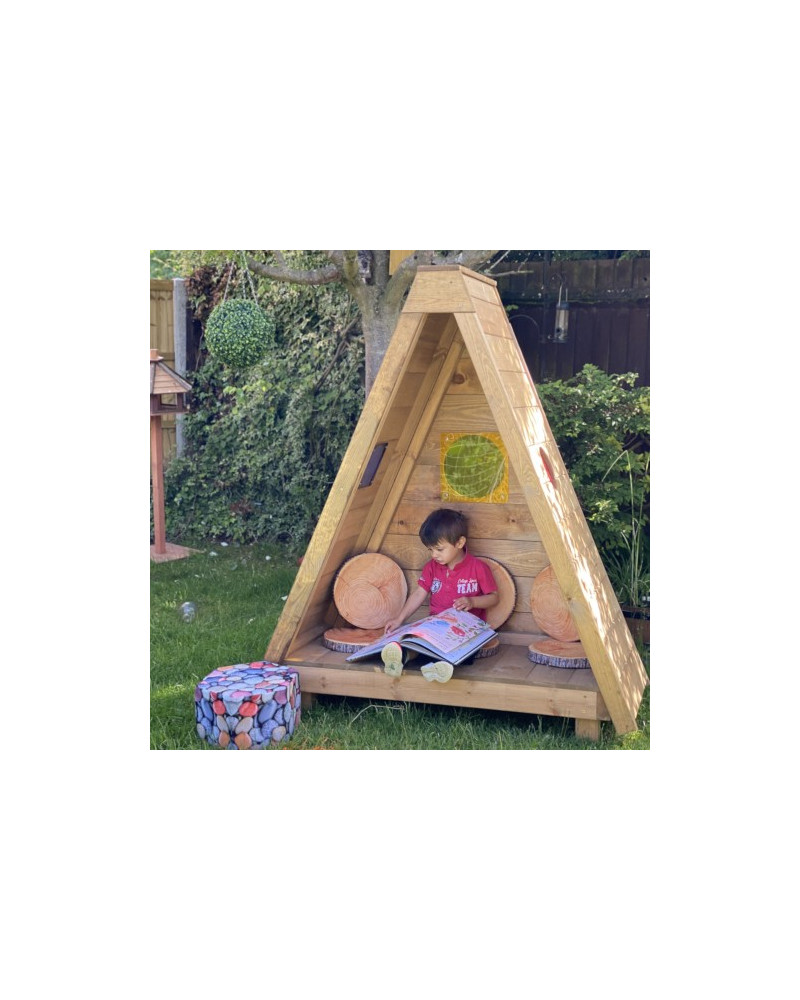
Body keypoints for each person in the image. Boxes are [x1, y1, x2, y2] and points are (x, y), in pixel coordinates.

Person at [381, 508, 499, 683]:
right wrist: (399, 619)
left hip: (466, 631)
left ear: (460, 543)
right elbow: (419, 594)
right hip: (436, 628)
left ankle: (440, 666)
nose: (434, 555)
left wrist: (472, 601)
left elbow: (494, 597)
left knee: (464, 653)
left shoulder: (478, 568)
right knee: (419, 643)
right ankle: (400, 659)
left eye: (439, 549)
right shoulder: (431, 567)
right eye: (430, 549)